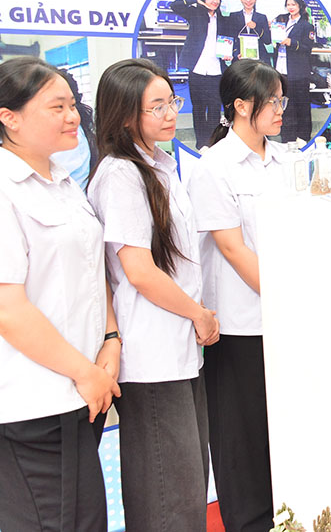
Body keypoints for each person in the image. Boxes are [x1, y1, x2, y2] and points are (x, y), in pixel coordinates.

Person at [88, 58, 220, 531]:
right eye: (156, 106)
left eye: (172, 101)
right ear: (126, 116)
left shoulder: (158, 164)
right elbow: (139, 271)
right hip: (152, 356)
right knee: (169, 497)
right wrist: (199, 314)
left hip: (177, 350)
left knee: (186, 488)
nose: (170, 113)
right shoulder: (120, 174)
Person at [0, 57, 121, 532]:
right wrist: (85, 372)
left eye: (73, 104)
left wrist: (110, 340)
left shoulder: (64, 183)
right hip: (33, 401)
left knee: (86, 519)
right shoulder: (6, 190)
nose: (73, 116)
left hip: (81, 392)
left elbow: (93, 268)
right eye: (57, 107)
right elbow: (8, 309)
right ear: (9, 117)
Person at [186, 60, 287, 532]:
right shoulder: (214, 168)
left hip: (283, 320)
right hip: (240, 327)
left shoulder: (285, 161)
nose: (281, 109)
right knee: (241, 445)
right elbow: (232, 248)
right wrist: (289, 296)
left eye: (282, 99)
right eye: (273, 101)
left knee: (279, 435)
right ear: (241, 106)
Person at [170, 0, 233, 149]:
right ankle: (201, 143)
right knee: (198, 108)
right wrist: (196, 1)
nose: (215, 1)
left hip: (216, 70)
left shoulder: (223, 19)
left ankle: (212, 143)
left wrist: (230, 54)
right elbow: (174, 5)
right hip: (197, 69)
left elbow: (228, 41)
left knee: (214, 109)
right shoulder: (195, 13)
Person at [272, 0, 316, 143]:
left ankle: (303, 137)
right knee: (285, 105)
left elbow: (307, 47)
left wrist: (292, 42)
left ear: (300, 6)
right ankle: (287, 138)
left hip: (298, 72)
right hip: (281, 69)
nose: (290, 7)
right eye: (288, 5)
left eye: (294, 4)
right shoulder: (281, 21)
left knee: (301, 105)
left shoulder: (306, 26)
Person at [229, 0, 272, 64]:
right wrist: (236, 53)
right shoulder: (233, 16)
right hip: (240, 58)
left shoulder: (262, 17)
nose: (248, 0)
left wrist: (256, 27)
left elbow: (267, 40)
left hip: (259, 59)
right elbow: (231, 38)